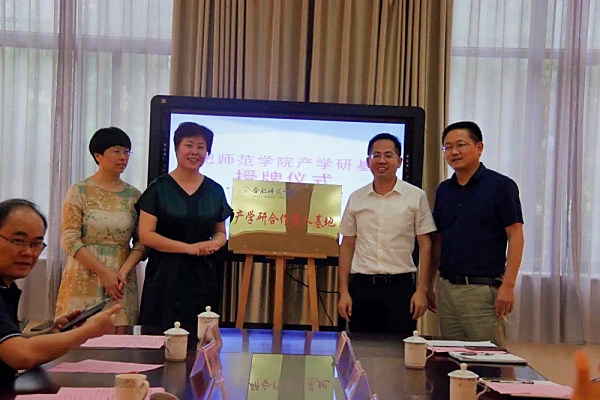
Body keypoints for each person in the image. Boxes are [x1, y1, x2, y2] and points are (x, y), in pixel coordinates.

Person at [0, 199, 119, 385]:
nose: (29, 252)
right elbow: (21, 355)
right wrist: (88, 331)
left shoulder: (7, 287)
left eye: (36, 243)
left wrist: (52, 333)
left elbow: (8, 344)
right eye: (18, 241)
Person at [432, 121, 524, 347]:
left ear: (479, 147)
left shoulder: (501, 186)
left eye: (461, 145)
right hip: (447, 288)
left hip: (482, 290)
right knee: (451, 358)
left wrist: (508, 285)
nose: (454, 152)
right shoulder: (444, 190)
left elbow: (516, 236)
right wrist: (429, 284)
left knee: (487, 359)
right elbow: (438, 240)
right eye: (447, 147)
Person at [136, 122, 233, 337]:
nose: (195, 152)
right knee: (158, 336)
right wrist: (188, 248)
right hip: (165, 274)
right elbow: (146, 235)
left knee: (201, 337)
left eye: (201, 147)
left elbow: (220, 231)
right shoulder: (158, 188)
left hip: (203, 274)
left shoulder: (215, 190)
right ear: (176, 148)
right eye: (189, 145)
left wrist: (215, 243)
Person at [337, 133, 437, 336]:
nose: (382, 160)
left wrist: (422, 290)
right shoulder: (356, 198)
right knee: (362, 349)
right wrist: (344, 291)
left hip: (400, 288)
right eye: (376, 155)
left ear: (399, 161)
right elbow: (347, 245)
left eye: (388, 155)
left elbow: (426, 245)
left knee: (398, 349)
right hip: (362, 287)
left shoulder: (415, 196)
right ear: (368, 162)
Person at [55, 127, 144, 325]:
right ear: (98, 155)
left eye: (126, 152)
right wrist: (104, 273)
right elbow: (69, 239)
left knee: (119, 334)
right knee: (78, 333)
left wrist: (122, 273)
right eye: (116, 151)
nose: (123, 157)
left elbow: (141, 242)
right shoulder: (79, 191)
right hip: (84, 273)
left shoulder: (135, 195)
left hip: (121, 279)